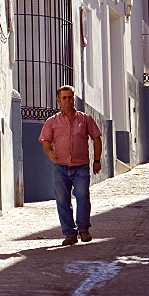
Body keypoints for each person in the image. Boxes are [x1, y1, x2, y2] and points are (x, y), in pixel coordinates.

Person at [39, 85, 102, 245]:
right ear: (58, 101)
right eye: (64, 98)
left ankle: (84, 230)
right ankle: (69, 234)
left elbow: (96, 138)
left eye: (70, 97)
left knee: (82, 196)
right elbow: (45, 142)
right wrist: (49, 152)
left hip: (81, 166)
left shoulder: (85, 119)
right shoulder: (51, 122)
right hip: (60, 167)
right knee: (62, 200)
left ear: (74, 99)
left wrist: (97, 160)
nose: (67, 101)